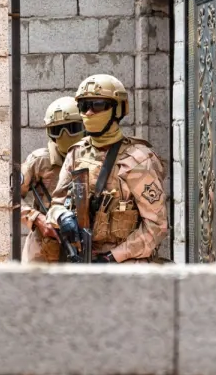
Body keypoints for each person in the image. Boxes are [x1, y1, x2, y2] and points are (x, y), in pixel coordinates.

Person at [46, 74, 168, 263]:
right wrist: (62, 216)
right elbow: (55, 205)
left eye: (98, 105)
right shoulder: (77, 153)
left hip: (127, 267)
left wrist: (112, 257)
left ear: (117, 109)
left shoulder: (138, 159)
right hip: (82, 261)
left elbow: (156, 227)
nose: (89, 113)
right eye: (84, 106)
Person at [19, 96, 84, 263]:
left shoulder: (95, 160)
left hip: (81, 248)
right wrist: (37, 219)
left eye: (72, 128)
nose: (65, 135)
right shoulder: (40, 161)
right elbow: (9, 196)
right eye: (58, 129)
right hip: (43, 251)